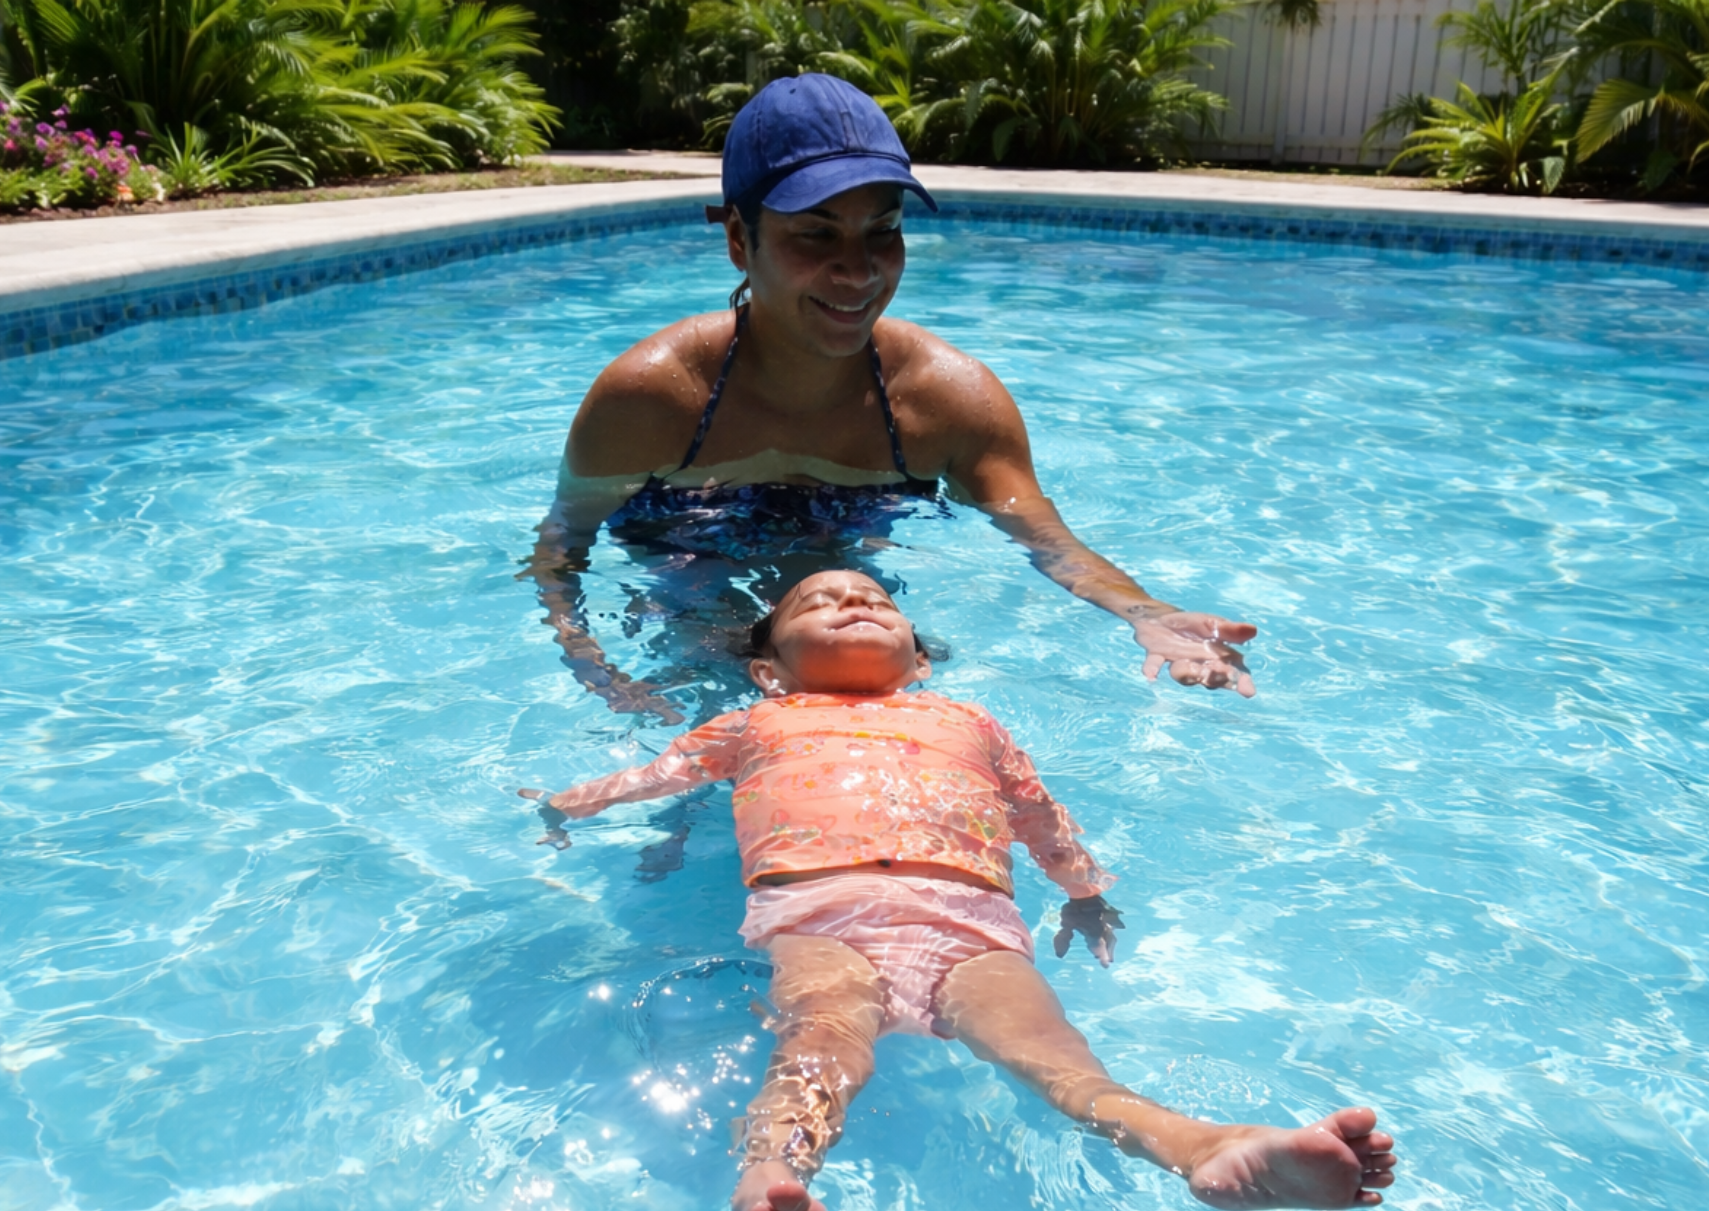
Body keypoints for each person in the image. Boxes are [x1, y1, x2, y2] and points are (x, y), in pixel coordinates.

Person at [524, 570, 1398, 1211]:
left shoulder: (967, 720)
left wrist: (1085, 892)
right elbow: (658, 775)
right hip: (823, 909)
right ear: (769, 667)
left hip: (971, 918)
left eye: (872, 599)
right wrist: (567, 804)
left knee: (1057, 1061)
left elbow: (1037, 813)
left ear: (921, 662)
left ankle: (1202, 1146)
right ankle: (771, 1182)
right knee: (824, 1036)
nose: (853, 602)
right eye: (820, 601)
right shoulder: (758, 721)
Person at [525, 73, 1259, 735]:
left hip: (846, 580)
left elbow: (1045, 541)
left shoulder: (946, 401)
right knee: (704, 720)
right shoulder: (653, 398)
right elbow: (562, 548)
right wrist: (593, 668)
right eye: (817, 234)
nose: (858, 271)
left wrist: (1148, 614)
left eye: (884, 232)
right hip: (687, 574)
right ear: (740, 240)